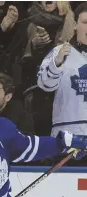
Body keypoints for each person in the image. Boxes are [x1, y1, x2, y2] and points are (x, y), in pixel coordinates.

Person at [37, 2, 87, 137]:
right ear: (75, 24)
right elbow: (44, 84)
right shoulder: (60, 52)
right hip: (68, 136)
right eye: (85, 22)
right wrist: (56, 63)